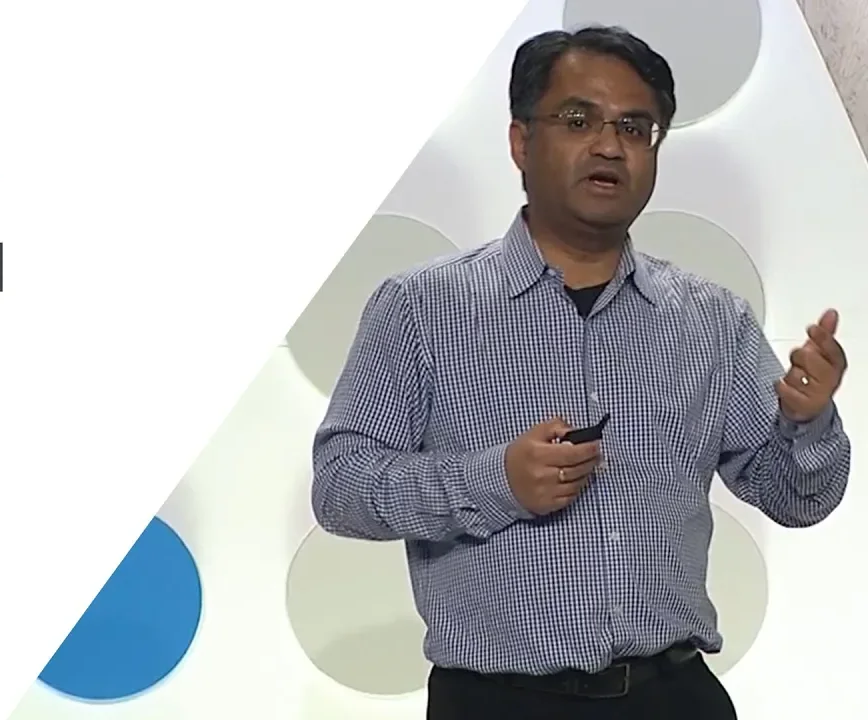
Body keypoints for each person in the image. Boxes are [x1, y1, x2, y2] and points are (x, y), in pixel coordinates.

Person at [309, 25, 852, 720]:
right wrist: (495, 481)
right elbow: (342, 488)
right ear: (520, 142)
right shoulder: (421, 308)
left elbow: (798, 500)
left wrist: (806, 422)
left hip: (673, 697)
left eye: (635, 127)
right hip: (497, 703)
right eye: (577, 120)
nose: (609, 145)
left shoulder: (713, 319)